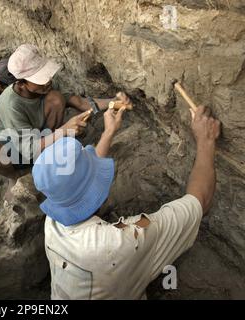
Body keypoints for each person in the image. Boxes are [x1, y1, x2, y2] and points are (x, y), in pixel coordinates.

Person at [32, 105, 220, 299]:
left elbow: (76, 181)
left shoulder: (53, 221)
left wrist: (109, 132)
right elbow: (200, 202)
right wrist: (206, 141)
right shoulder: (121, 243)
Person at [0, 44, 131, 199]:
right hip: (15, 149)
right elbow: (28, 149)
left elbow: (80, 102)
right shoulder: (10, 105)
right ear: (21, 83)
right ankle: (16, 177)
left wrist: (114, 102)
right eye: (40, 79)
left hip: (40, 138)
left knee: (57, 98)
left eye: (45, 75)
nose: (47, 81)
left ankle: (48, 158)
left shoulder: (45, 86)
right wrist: (64, 130)